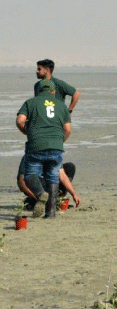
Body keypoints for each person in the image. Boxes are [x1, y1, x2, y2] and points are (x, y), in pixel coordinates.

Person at [16, 80, 72, 218]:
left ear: (38, 91)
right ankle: (51, 213)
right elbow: (68, 129)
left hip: (36, 145)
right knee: (53, 178)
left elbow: (20, 121)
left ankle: (41, 195)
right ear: (53, 92)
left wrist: (26, 132)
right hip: (56, 147)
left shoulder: (30, 102)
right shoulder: (62, 105)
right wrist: (59, 141)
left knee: (30, 175)